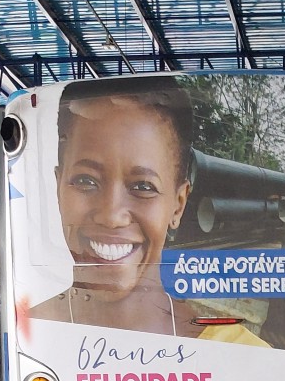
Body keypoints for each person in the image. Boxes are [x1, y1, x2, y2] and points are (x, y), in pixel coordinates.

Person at [29, 76, 269, 347]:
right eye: (86, 181)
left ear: (178, 205)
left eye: (143, 186)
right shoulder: (27, 333)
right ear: (58, 188)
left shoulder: (246, 354)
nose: (111, 215)